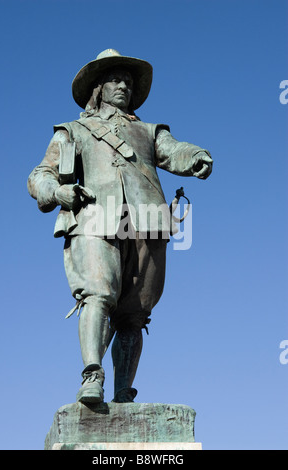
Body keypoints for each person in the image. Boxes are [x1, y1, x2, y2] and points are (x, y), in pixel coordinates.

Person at [27, 49, 213, 404]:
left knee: (135, 312)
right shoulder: (74, 131)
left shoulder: (149, 131)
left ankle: (123, 392)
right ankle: (92, 376)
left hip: (147, 224)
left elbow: (174, 150)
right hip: (94, 218)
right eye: (116, 79)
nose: (124, 85)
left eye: (128, 81)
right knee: (97, 293)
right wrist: (58, 191)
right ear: (98, 88)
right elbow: (40, 175)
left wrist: (196, 157)